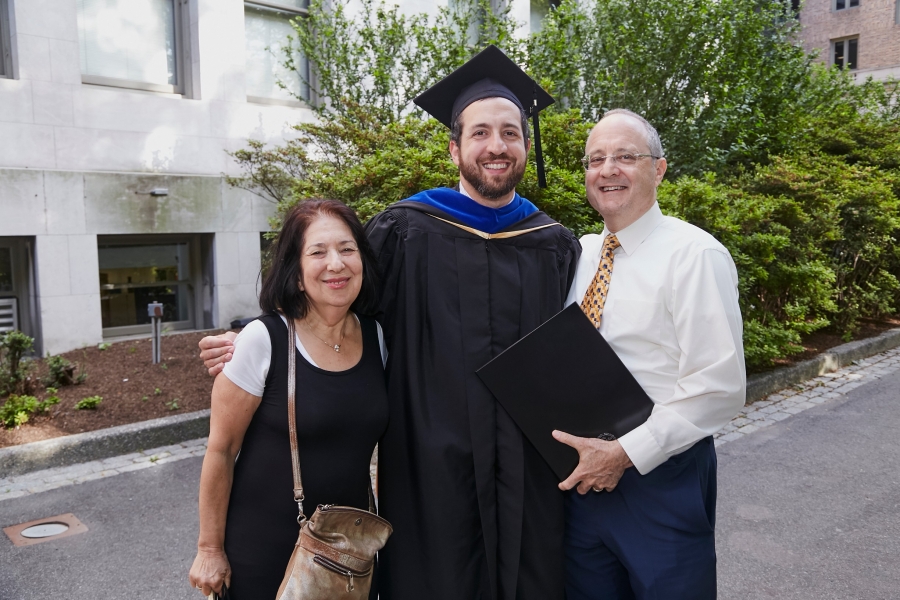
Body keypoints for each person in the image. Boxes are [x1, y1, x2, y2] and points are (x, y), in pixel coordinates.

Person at [199, 46, 581, 600]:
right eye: (479, 133)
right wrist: (253, 334)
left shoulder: (553, 245)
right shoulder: (409, 232)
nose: (496, 146)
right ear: (455, 148)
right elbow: (337, 300)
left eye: (510, 133)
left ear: (525, 145)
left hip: (529, 473)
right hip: (430, 471)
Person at [554, 109, 745, 599]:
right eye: (596, 159)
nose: (608, 169)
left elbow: (719, 388)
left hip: (662, 479)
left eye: (625, 156)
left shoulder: (695, 256)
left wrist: (623, 453)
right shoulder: (583, 252)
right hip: (583, 484)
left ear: (658, 169)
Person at [188, 199, 389, 599]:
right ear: (296, 274)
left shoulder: (377, 338)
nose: (336, 263)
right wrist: (209, 549)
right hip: (265, 552)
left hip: (346, 554)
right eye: (317, 252)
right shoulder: (264, 340)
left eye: (347, 249)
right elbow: (221, 450)